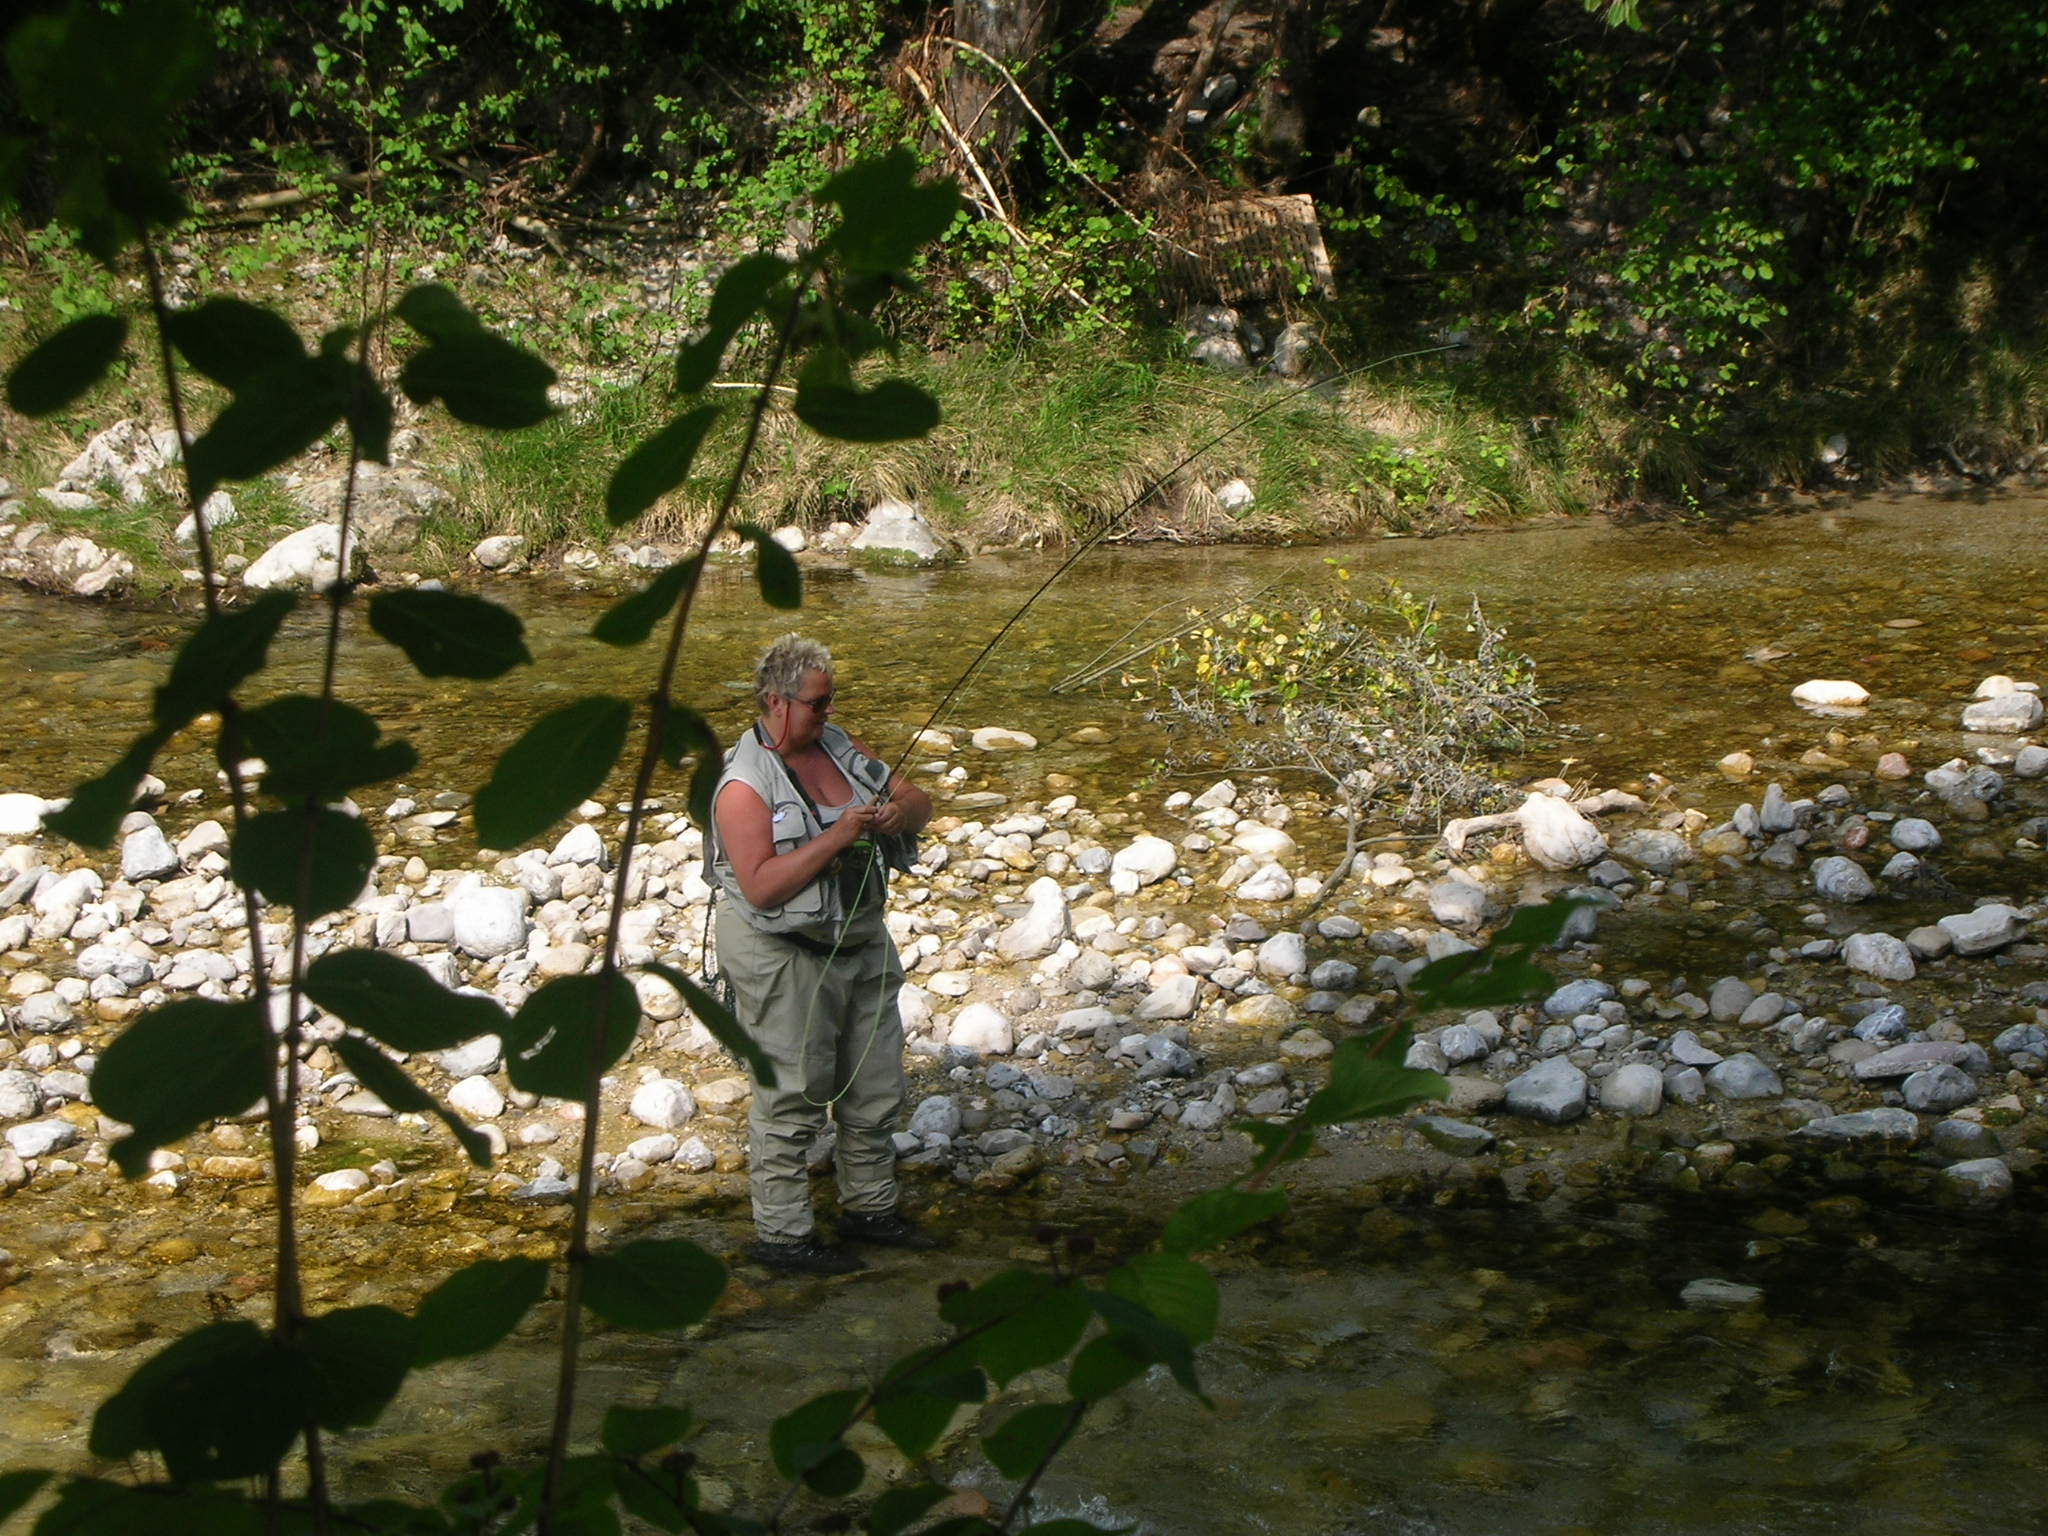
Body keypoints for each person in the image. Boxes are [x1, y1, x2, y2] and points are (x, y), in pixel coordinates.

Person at [708, 633, 936, 1274]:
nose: (828, 714)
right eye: (817, 704)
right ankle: (782, 1238)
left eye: (831, 702)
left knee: (875, 1085)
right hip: (782, 955)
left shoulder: (840, 747)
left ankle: (871, 1210)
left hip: (860, 941)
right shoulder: (742, 786)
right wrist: (837, 837)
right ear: (777, 703)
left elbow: (922, 803)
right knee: (790, 1097)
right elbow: (760, 884)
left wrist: (897, 814)